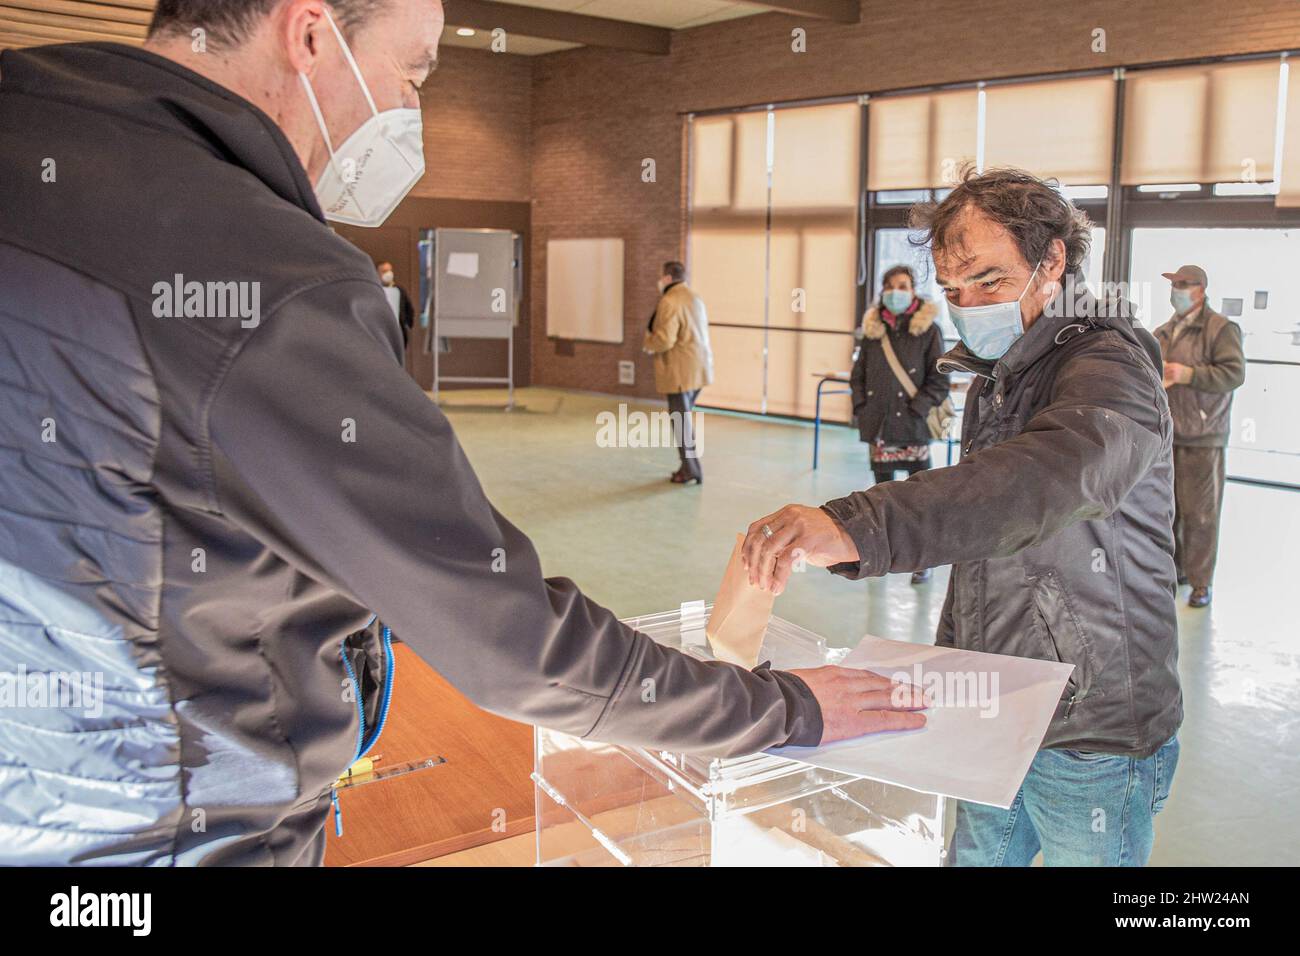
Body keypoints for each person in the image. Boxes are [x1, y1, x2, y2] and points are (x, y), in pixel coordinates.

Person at [0, 0, 927, 865]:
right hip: (169, 820)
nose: (411, 110)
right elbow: (509, 639)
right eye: (414, 74)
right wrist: (781, 709)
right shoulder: (271, 279)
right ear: (310, 34)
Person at [739, 167, 1183, 867]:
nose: (968, 303)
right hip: (997, 704)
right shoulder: (999, 374)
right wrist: (951, 666)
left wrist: (861, 525)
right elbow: (986, 539)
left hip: (1088, 727)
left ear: (1053, 259)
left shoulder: (1110, 364)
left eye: (989, 279)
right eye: (953, 290)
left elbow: (1037, 482)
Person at [1153, 265, 1245, 609]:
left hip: (1203, 437)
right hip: (1167, 435)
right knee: (1169, 511)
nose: (1175, 290)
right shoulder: (1164, 331)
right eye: (1173, 284)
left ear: (1200, 290)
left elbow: (1233, 374)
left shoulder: (1221, 329)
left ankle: (1201, 582)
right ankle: (1176, 571)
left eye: (1182, 284)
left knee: (1201, 515)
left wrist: (1187, 373)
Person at [849, 264, 949, 583]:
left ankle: (923, 560)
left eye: (903, 285)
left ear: (914, 289)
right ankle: (880, 555)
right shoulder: (873, 330)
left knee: (920, 497)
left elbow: (939, 379)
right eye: (890, 286)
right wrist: (862, 408)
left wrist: (918, 408)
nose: (896, 291)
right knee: (879, 496)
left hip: (913, 427)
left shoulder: (929, 330)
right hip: (880, 427)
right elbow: (858, 375)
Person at [642, 260, 714, 485]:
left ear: (667, 277)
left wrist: (648, 343)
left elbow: (665, 338)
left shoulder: (669, 301)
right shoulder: (694, 297)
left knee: (681, 422)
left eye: (661, 276)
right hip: (698, 368)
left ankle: (692, 470)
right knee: (684, 420)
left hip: (679, 371)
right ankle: (687, 467)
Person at [377, 259, 416, 350]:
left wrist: (407, 324)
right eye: (384, 271)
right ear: (377, 273)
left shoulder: (399, 291)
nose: (388, 274)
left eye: (389, 270)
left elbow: (408, 309)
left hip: (398, 332)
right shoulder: (374, 291)